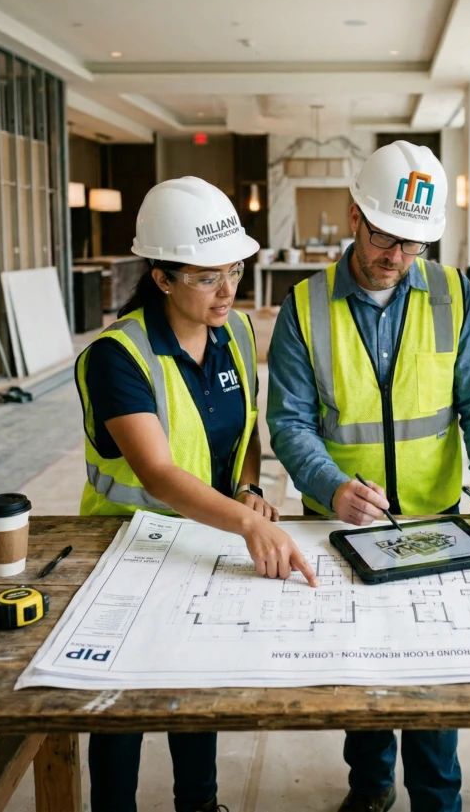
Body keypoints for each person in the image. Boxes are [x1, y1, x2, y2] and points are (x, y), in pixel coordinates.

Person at [267, 140, 470, 812]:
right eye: (386, 236)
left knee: (435, 679)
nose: (397, 256)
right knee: (363, 672)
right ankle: (371, 787)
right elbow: (289, 421)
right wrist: (328, 484)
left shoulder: (451, 295)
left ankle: (439, 801)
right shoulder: (304, 306)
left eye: (415, 244)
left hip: (437, 517)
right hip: (346, 525)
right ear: (355, 215)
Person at [76, 175, 317, 812]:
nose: (228, 290)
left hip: (198, 540)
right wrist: (245, 522)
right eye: (207, 277)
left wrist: (246, 487)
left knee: (194, 688)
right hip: (123, 552)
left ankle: (201, 805)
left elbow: (244, 436)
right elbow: (156, 473)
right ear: (160, 276)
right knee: (119, 704)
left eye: (234, 271)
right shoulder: (118, 357)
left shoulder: (234, 333)